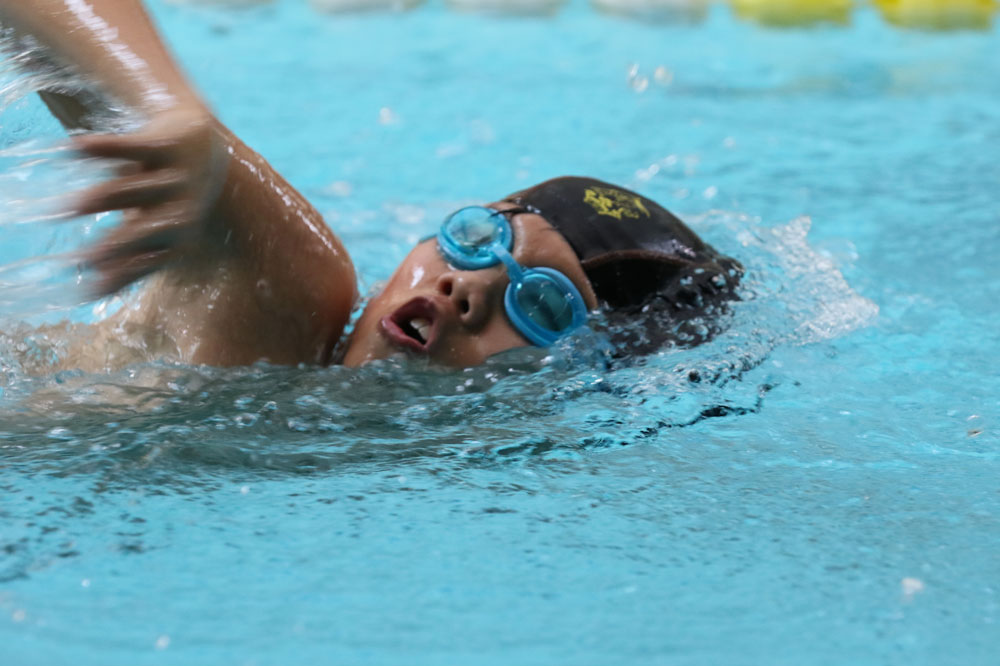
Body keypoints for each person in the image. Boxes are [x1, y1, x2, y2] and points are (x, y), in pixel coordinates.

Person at [0, 0, 740, 372]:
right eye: (479, 240)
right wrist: (165, 107)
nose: (465, 288)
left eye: (541, 303)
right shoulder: (283, 291)